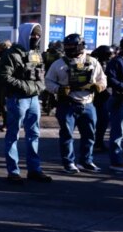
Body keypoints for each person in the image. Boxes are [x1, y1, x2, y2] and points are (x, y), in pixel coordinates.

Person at [45, 33, 106, 174]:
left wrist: (99, 86)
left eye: (72, 46)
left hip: (88, 104)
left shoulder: (92, 62)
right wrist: (59, 89)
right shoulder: (58, 64)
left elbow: (102, 78)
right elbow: (48, 81)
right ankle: (69, 163)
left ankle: (87, 161)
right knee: (67, 135)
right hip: (67, 104)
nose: (69, 48)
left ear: (80, 46)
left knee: (90, 135)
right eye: (67, 46)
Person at [0, 23, 52, 183]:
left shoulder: (36, 54)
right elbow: (4, 77)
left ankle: (34, 169)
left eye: (38, 35)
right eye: (32, 35)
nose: (35, 37)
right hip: (17, 99)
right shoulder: (11, 54)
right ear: (24, 35)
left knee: (34, 134)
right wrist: (28, 87)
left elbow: (41, 74)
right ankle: (13, 172)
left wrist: (39, 87)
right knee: (13, 135)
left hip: (34, 99)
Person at [106, 37, 123, 172]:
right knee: (119, 131)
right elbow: (110, 79)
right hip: (120, 99)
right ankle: (116, 161)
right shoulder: (116, 61)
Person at [91, 45, 113, 153]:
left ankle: (98, 142)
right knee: (101, 120)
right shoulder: (96, 64)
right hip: (98, 96)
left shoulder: (104, 63)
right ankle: (97, 143)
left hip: (104, 95)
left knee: (103, 121)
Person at [41, 41, 64, 115]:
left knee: (46, 91)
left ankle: (45, 104)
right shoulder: (60, 55)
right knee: (54, 92)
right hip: (56, 75)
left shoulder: (46, 54)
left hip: (46, 74)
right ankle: (52, 106)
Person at [0, 40, 12, 131]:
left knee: (4, 105)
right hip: (2, 84)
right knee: (2, 105)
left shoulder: (7, 57)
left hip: (5, 85)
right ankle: (6, 123)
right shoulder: (4, 57)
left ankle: (7, 124)